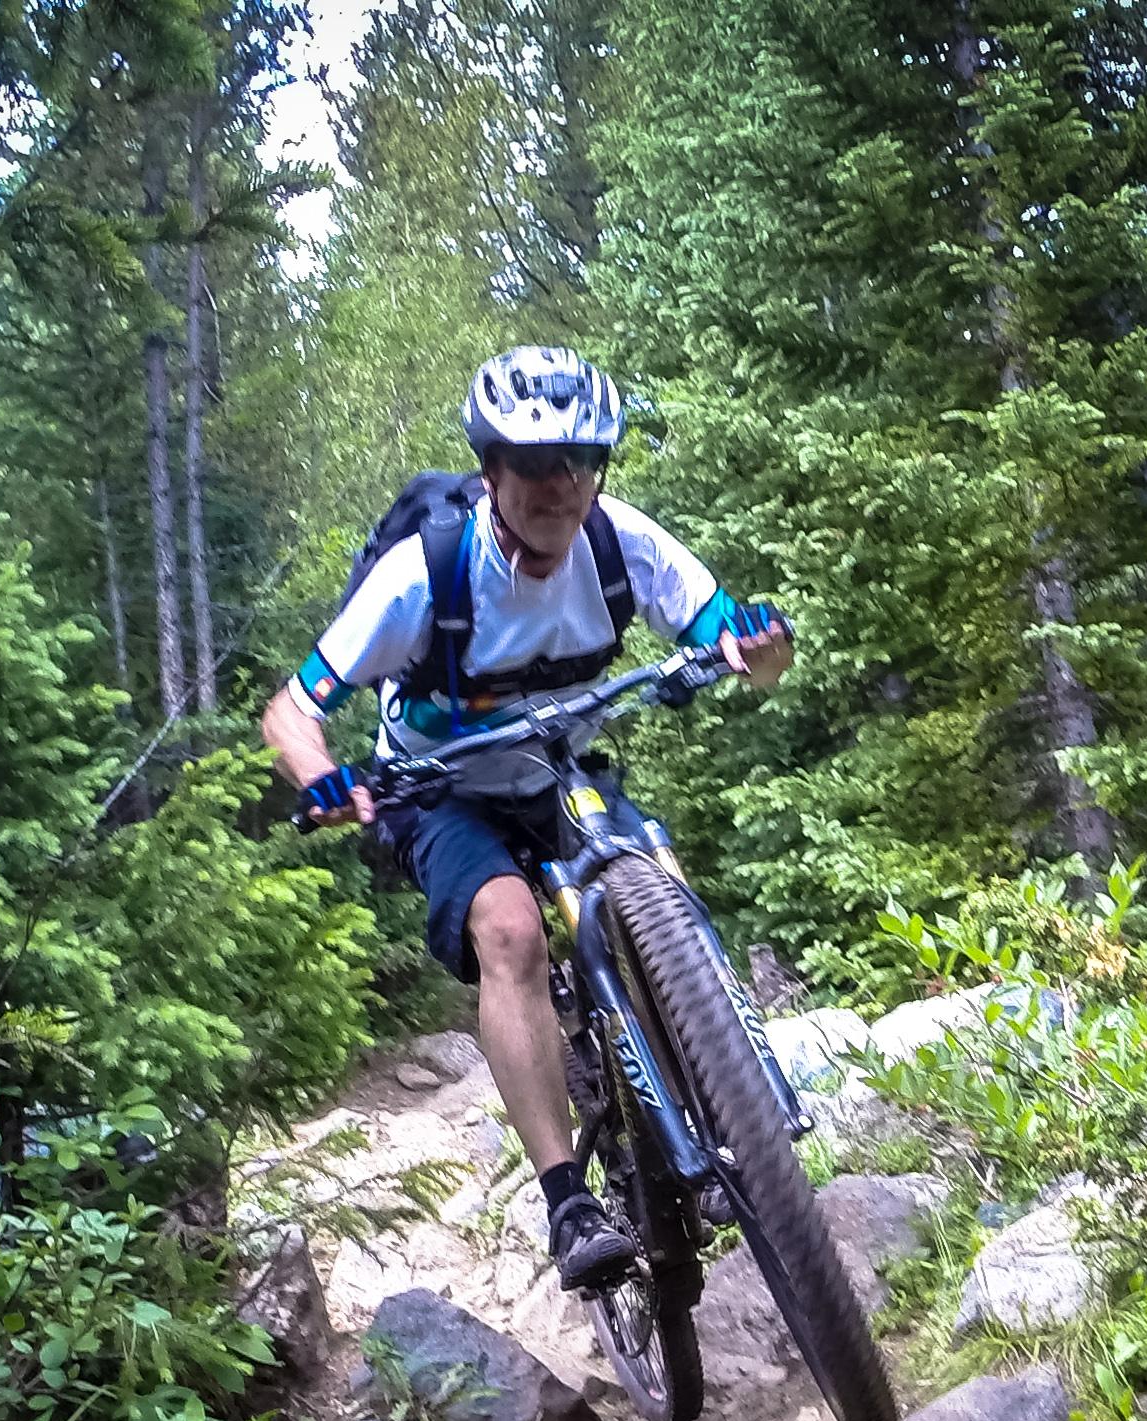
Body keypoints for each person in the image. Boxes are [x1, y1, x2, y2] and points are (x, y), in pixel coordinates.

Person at [260, 346, 793, 1293]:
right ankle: (567, 1200)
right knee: (509, 931)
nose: (561, 485)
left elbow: (737, 647)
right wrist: (323, 778)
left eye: (580, 462)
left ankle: (723, 1117)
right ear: (490, 469)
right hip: (442, 788)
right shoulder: (423, 573)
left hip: (559, 764)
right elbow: (291, 709)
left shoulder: (619, 541)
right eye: (535, 464)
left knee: (653, 883)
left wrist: (756, 646)